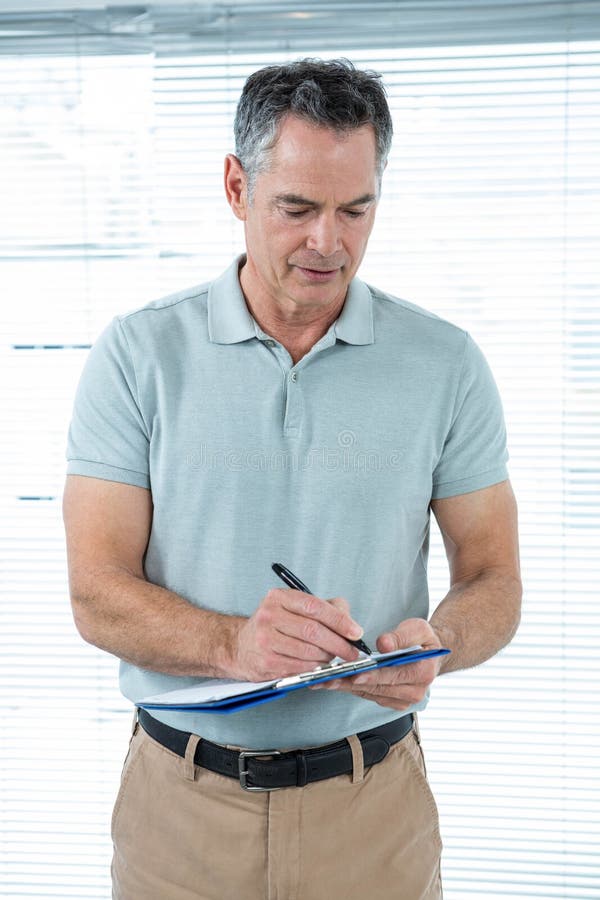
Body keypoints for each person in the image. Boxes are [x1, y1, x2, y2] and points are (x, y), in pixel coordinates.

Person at [63, 58, 521, 900]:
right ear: (237, 188)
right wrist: (232, 644)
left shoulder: (446, 363)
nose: (328, 242)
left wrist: (439, 645)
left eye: (355, 210)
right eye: (298, 208)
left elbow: (495, 577)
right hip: (180, 813)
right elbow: (95, 593)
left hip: (375, 812)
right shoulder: (136, 356)